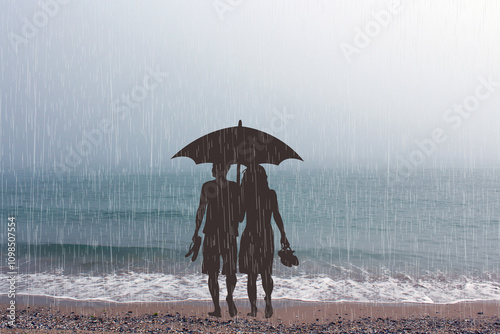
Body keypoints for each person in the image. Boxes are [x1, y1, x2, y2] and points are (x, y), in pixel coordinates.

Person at [239, 164, 289, 318]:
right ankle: (268, 300)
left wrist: (238, 196)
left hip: (251, 236)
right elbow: (276, 215)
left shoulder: (247, 195)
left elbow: (240, 218)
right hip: (266, 235)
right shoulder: (270, 194)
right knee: (266, 273)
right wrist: (283, 233)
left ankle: (254, 308)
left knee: (251, 275)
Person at [192, 162, 241, 317]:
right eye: (219, 169)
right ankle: (226, 301)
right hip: (225, 234)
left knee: (218, 272)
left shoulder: (210, 186)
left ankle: (222, 304)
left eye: (221, 169)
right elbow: (240, 216)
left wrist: (196, 230)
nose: (219, 171)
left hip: (216, 234)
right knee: (226, 271)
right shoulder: (233, 187)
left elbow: (201, 209)